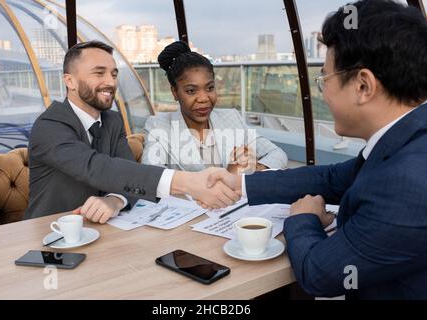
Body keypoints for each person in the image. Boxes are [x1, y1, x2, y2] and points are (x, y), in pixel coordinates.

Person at [207, 0, 427, 299]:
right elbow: (333, 179)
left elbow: (318, 274)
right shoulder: (407, 138)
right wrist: (241, 182)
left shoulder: (408, 183)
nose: (322, 92)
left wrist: (303, 217)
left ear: (364, 86)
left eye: (324, 78)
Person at [25, 41, 240, 224]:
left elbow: (128, 173)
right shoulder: (49, 126)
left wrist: (115, 200)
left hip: (105, 236)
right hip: (51, 238)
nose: (110, 82)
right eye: (99, 73)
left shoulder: (112, 120)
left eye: (114, 74)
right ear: (69, 81)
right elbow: (97, 167)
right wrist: (189, 182)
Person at [141, 41, 287, 174]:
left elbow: (277, 154)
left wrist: (256, 167)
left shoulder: (231, 118)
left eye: (210, 88)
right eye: (191, 91)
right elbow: (151, 176)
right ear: (175, 92)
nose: (204, 98)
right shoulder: (158, 125)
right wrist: (228, 176)